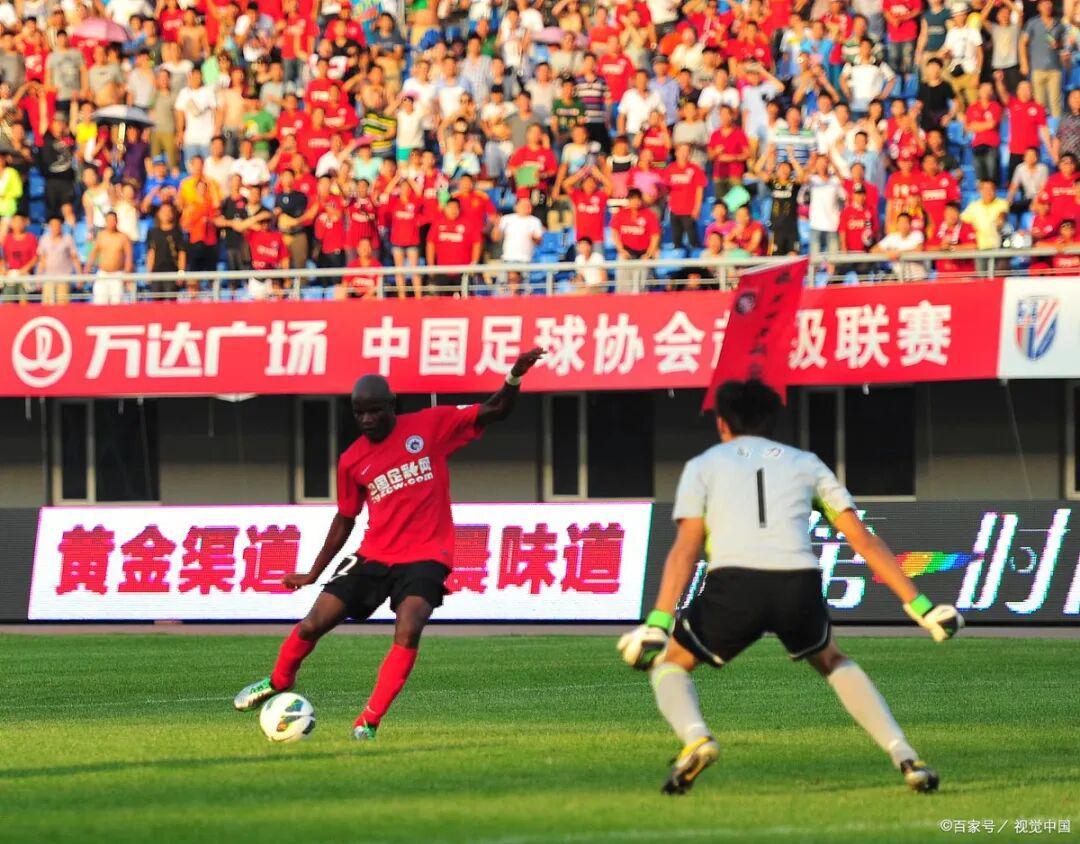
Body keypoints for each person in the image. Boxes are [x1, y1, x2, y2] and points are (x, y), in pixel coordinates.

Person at [617, 379, 963, 796]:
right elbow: (863, 540)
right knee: (832, 660)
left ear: (722, 422)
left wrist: (658, 622)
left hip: (735, 584)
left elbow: (685, 550)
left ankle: (697, 738)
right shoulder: (807, 463)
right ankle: (905, 755)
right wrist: (922, 607)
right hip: (797, 583)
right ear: (771, 421)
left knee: (670, 664)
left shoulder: (703, 466)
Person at [234, 349, 548, 739]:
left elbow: (495, 409)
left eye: (374, 411)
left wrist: (515, 375)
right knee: (315, 622)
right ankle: (279, 680)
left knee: (409, 626)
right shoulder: (352, 460)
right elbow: (345, 518)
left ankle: (368, 721)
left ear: (391, 405)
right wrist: (313, 573)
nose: (367, 419)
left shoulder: (430, 425)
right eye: (359, 412)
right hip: (374, 555)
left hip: (427, 555)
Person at [87, 212, 134, 305]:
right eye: (109, 220)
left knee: (117, 303)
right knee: (99, 303)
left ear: (117, 221)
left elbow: (129, 257)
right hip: (102, 274)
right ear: (105, 221)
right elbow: (93, 253)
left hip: (118, 275)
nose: (111, 222)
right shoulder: (101, 236)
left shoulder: (123, 237)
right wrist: (87, 268)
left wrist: (127, 274)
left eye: (113, 220)